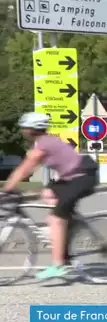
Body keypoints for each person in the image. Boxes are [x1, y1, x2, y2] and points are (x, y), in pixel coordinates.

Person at [2, 113, 97, 279]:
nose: (23, 131)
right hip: (71, 177)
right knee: (47, 193)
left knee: (55, 219)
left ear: (32, 130)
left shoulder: (43, 145)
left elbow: (25, 168)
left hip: (82, 177)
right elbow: (28, 169)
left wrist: (6, 190)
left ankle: (58, 265)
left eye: (25, 128)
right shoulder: (42, 142)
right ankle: (66, 228)